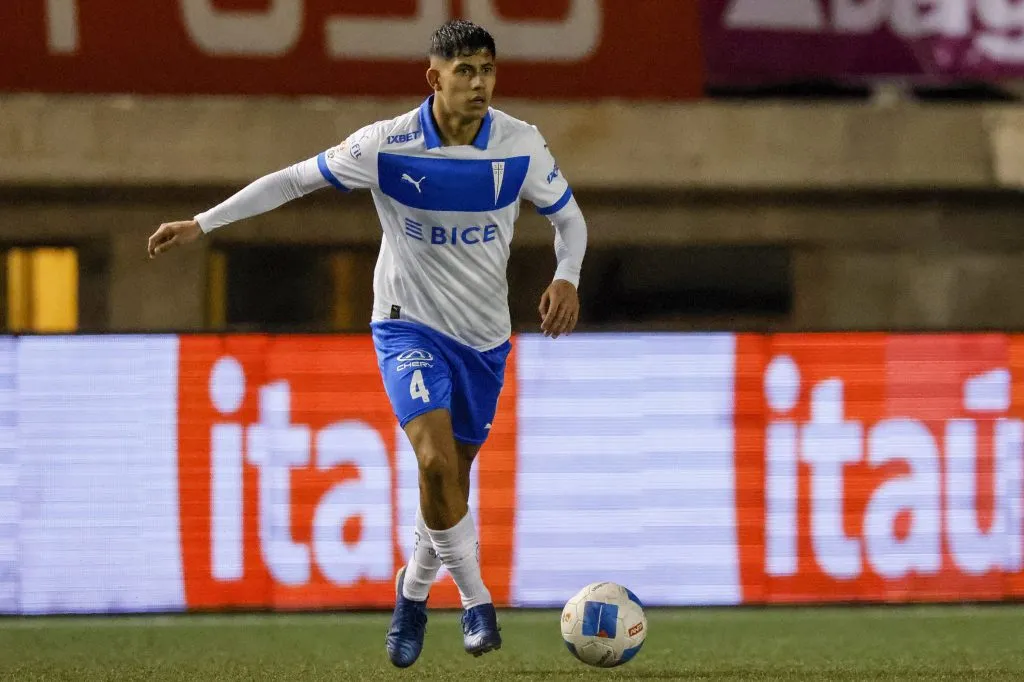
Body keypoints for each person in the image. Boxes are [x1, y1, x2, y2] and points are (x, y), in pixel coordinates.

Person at [147, 19, 587, 668]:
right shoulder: (386, 145)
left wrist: (567, 275)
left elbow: (569, 220)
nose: (479, 83)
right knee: (434, 463)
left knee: (451, 484)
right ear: (433, 78)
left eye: (487, 70)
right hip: (407, 327)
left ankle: (411, 595)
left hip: (484, 340)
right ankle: (477, 603)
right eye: (464, 71)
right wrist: (203, 223)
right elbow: (294, 180)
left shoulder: (519, 143)